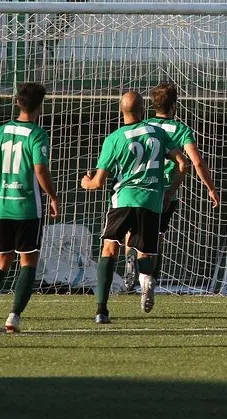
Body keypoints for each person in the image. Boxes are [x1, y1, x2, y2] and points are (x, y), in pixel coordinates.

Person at [81, 91, 188, 324]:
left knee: (109, 249)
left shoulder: (115, 138)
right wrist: (169, 192)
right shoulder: (158, 133)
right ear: (142, 110)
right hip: (152, 200)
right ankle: (146, 280)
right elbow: (182, 163)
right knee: (146, 250)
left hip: (124, 200)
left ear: (122, 110)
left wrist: (85, 182)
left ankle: (101, 309)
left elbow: (98, 182)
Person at [0, 83, 59, 333]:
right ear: (40, 105)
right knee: (28, 262)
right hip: (28, 209)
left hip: (2, 207)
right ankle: (14, 318)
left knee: (0, 263)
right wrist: (52, 196)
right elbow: (40, 169)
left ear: (17, 102)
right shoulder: (37, 134)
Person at [122, 82, 220, 291]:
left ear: (151, 105)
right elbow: (196, 162)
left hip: (136, 187)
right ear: (174, 105)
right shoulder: (181, 129)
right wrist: (210, 188)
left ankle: (130, 264)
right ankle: (149, 279)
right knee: (155, 236)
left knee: (131, 232)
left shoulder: (143, 125)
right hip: (165, 191)